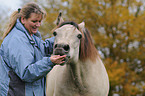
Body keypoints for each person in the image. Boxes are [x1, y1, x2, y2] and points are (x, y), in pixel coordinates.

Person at [0, 2, 66, 96]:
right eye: (34, 21)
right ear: (23, 19)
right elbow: (27, 73)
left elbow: (43, 48)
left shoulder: (31, 36)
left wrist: (63, 37)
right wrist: (50, 61)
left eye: (39, 21)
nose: (38, 25)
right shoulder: (17, 40)